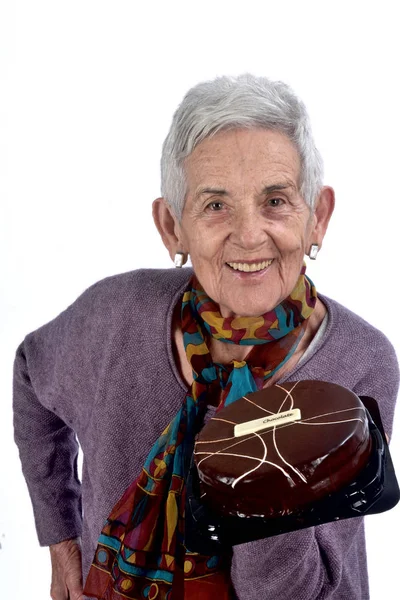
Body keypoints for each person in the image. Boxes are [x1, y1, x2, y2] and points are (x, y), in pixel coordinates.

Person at [13, 73, 398, 600]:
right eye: (215, 205)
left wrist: (261, 475)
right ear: (173, 227)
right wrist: (61, 542)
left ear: (318, 218)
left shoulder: (361, 363)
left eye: (276, 201)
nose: (248, 235)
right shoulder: (116, 315)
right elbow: (30, 374)